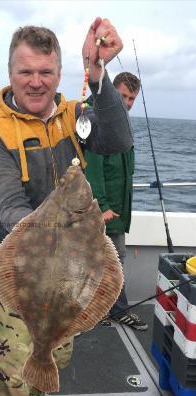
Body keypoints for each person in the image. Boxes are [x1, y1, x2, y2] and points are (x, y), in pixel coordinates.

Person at [0, 18, 134, 396]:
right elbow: (9, 208)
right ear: (10, 74)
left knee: (55, 351)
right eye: (26, 72)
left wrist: (96, 72)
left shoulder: (74, 115)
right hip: (20, 276)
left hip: (71, 272)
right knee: (6, 382)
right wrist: (76, 227)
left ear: (59, 75)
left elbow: (116, 139)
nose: (36, 82)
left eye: (46, 72)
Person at [85, 72, 148, 331]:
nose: (128, 103)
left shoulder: (119, 122)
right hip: (103, 210)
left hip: (118, 208)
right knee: (114, 257)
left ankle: (99, 310)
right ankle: (116, 310)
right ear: (110, 91)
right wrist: (102, 206)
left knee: (102, 260)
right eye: (122, 96)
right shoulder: (93, 117)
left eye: (132, 98)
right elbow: (93, 167)